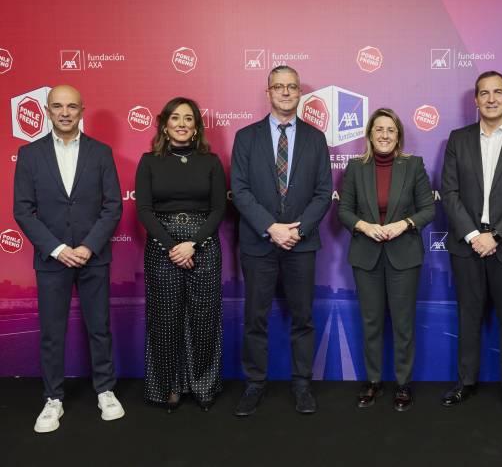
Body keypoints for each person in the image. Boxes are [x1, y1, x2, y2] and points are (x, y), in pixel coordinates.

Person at [13, 85, 125, 433]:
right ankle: (53, 398)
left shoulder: (101, 153)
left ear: (81, 110)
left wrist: (89, 246)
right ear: (47, 110)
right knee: (51, 332)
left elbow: (113, 206)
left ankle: (105, 390)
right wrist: (58, 249)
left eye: (72, 106)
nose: (65, 112)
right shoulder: (29, 154)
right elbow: (23, 211)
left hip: (94, 257)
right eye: (58, 106)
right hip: (52, 260)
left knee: (100, 328)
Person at [231, 65, 332, 416]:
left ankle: (302, 385)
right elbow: (240, 190)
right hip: (259, 242)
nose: (286, 92)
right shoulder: (246, 137)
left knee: (303, 318)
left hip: (301, 244)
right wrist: (271, 227)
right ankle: (255, 385)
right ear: (268, 92)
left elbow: (323, 192)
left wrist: (297, 231)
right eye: (279, 86)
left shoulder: (316, 138)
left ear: (300, 92)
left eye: (292, 86)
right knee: (254, 319)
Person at [440, 71, 502, 417]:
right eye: (484, 93)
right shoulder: (458, 139)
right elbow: (449, 192)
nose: (491, 98)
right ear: (476, 100)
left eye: (498, 92)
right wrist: (473, 235)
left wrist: (495, 236)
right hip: (467, 244)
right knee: (468, 318)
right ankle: (465, 382)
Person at [338, 108, 434, 411]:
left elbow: (428, 209)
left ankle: (403, 384)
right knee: (371, 322)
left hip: (404, 255)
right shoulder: (356, 167)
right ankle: (373, 381)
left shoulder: (413, 165)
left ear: (398, 136)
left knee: (403, 324)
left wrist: (403, 224)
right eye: (379, 129)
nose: (384, 135)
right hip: (366, 255)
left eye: (390, 130)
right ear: (369, 134)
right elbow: (344, 210)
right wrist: (365, 226)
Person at [135, 97, 227, 412]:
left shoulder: (211, 161)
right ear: (164, 125)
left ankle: (203, 385)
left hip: (204, 245)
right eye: (175, 118)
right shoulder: (149, 161)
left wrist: (193, 244)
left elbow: (218, 209)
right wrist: (173, 246)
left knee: (204, 319)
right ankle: (168, 387)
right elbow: (144, 210)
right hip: (162, 247)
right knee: (165, 320)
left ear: (197, 126)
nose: (182, 124)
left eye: (189, 119)